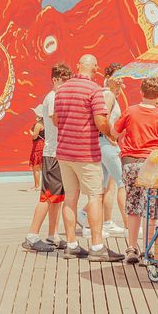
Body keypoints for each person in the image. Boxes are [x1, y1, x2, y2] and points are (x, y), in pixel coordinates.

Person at [54, 54, 124, 261]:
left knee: (71, 198)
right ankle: (96, 247)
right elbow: (100, 120)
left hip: (64, 152)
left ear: (77, 67)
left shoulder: (62, 89)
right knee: (95, 197)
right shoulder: (94, 90)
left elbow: (57, 120)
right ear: (95, 69)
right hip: (86, 152)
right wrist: (112, 134)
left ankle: (72, 245)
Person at [114, 78, 158, 265]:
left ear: (141, 92)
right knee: (151, 207)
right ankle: (148, 249)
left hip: (130, 163)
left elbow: (115, 133)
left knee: (133, 206)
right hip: (151, 164)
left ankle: (132, 247)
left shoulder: (130, 111)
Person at [22, 62, 72, 253]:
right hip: (52, 153)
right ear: (55, 79)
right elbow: (57, 121)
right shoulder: (53, 97)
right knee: (47, 196)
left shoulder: (58, 96)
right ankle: (32, 235)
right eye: (64, 80)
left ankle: (53, 235)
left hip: (58, 152)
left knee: (57, 197)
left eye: (69, 80)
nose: (67, 83)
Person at [95, 63, 127, 238]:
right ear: (110, 78)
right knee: (122, 182)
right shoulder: (107, 94)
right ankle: (129, 223)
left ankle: (105, 222)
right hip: (107, 144)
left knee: (108, 185)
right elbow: (103, 117)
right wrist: (110, 137)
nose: (121, 80)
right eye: (118, 76)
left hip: (103, 143)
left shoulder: (105, 93)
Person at [26, 107, 46, 192]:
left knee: (36, 167)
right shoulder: (45, 124)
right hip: (43, 145)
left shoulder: (38, 125)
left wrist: (30, 132)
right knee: (43, 167)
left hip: (38, 146)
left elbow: (35, 135)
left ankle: (37, 185)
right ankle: (44, 186)